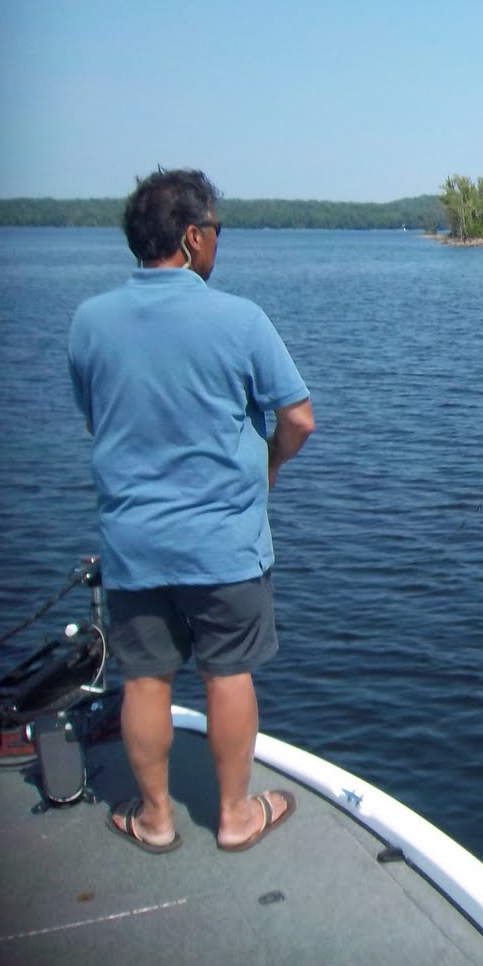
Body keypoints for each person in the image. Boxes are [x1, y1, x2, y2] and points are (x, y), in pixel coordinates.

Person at [68, 168, 315, 853]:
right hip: (224, 543)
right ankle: (235, 816)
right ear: (190, 236)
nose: (217, 244)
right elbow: (298, 418)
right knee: (227, 672)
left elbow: (98, 420)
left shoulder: (90, 321)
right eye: (215, 231)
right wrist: (269, 462)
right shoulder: (239, 319)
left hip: (135, 543)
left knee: (144, 678)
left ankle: (155, 818)